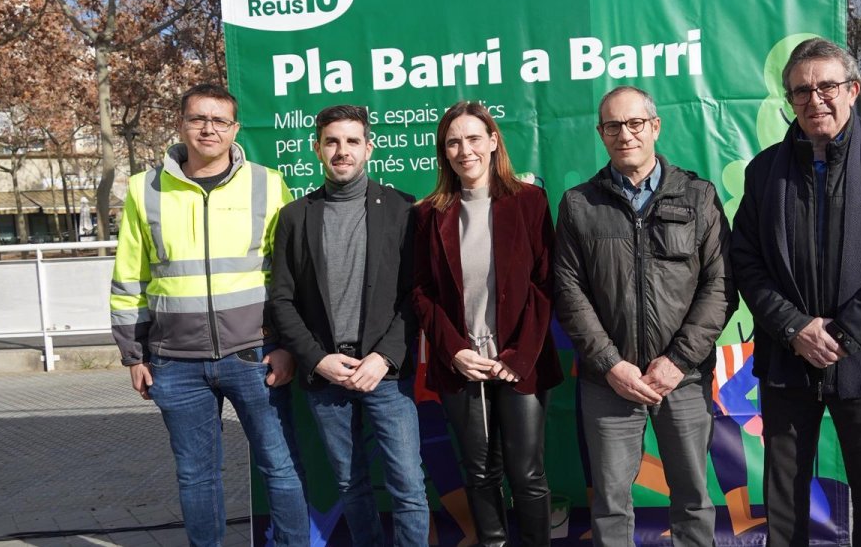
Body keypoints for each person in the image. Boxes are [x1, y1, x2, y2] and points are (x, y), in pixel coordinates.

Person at [729, 38, 861, 546]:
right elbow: (747, 262)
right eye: (801, 91)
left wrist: (844, 333)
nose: (815, 99)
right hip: (788, 355)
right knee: (783, 495)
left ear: (853, 90)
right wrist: (795, 328)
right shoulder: (764, 171)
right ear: (790, 99)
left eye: (827, 86)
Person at [110, 83, 308, 546]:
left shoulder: (267, 183)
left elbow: (292, 275)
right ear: (181, 124)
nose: (209, 129)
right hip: (174, 362)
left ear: (235, 129)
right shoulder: (144, 189)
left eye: (220, 120)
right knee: (196, 476)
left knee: (280, 467)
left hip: (256, 354)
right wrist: (134, 355)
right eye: (198, 118)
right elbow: (130, 277)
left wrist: (286, 346)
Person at [553, 86, 734, 546]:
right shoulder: (579, 204)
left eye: (635, 123)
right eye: (613, 126)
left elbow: (720, 286)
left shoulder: (698, 196)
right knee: (610, 505)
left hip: (683, 379)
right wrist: (611, 365)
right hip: (608, 382)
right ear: (601, 133)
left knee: (693, 498)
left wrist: (678, 361)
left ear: (655, 127)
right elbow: (569, 292)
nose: (625, 134)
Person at [269, 104, 428, 546]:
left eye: (352, 141)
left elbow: (416, 295)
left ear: (368, 148)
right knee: (350, 485)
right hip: (326, 374)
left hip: (385, 374)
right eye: (332, 141)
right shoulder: (295, 216)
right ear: (317, 148)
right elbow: (281, 299)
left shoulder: (402, 209)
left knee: (408, 486)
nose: (342, 151)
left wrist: (385, 356)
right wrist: (316, 359)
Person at [412, 102, 564, 547]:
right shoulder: (429, 214)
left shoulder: (530, 202)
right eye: (453, 142)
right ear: (444, 152)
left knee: (527, 474)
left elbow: (545, 284)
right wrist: (455, 351)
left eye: (474, 138)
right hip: (461, 366)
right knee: (479, 474)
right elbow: (421, 292)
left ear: (494, 141)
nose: (465, 150)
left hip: (521, 363)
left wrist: (518, 356)